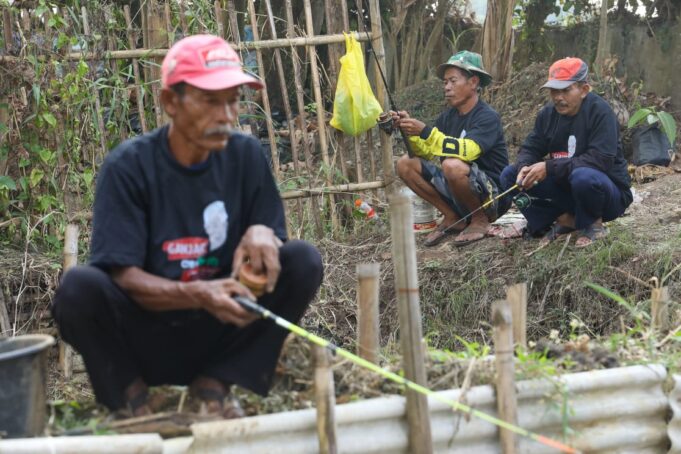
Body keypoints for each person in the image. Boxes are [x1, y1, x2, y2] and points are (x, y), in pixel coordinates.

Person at [51, 34, 324, 418]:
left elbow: (270, 239)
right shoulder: (128, 167)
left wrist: (265, 231)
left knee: (302, 260)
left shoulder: (245, 157)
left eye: (232, 101)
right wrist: (200, 293)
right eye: (210, 101)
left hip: (220, 332)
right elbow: (123, 276)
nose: (227, 116)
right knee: (79, 287)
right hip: (144, 338)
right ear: (170, 103)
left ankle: (215, 384)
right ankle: (132, 400)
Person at [499, 57, 633, 247]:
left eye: (565, 90)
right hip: (569, 193)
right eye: (554, 91)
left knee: (583, 176)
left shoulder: (600, 112)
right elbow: (530, 147)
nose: (558, 97)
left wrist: (549, 167)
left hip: (607, 196)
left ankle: (592, 223)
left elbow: (601, 160)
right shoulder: (547, 114)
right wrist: (524, 166)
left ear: (584, 90)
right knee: (510, 176)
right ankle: (565, 219)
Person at [393, 51, 510, 247]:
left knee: (452, 165)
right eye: (445, 82)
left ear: (473, 82)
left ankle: (480, 219)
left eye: (453, 81)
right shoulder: (447, 117)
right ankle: (453, 217)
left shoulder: (487, 117)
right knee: (405, 164)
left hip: (493, 196)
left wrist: (426, 132)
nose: (446, 87)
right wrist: (409, 131)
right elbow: (428, 151)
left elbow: (469, 151)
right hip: (459, 190)